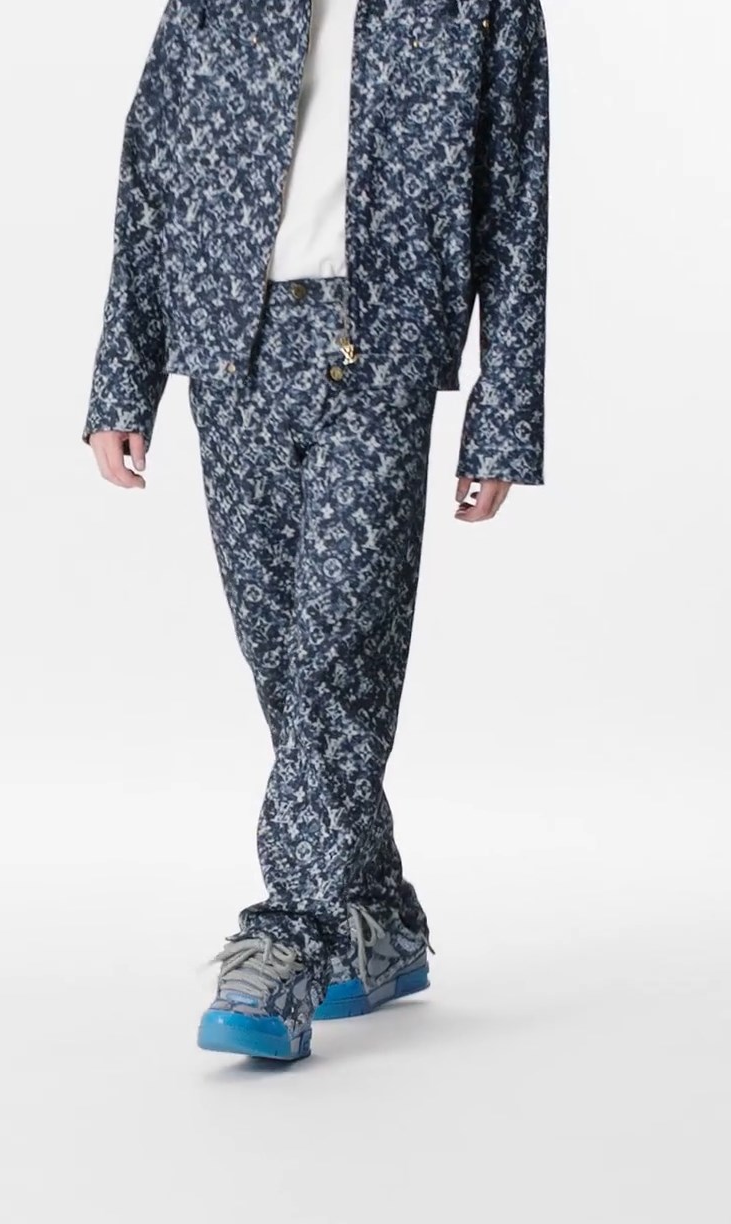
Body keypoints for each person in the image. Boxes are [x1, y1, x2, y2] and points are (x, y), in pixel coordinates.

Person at [82, 0, 549, 1061]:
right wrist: (124, 377)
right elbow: (149, 173)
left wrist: (502, 413)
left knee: (338, 655)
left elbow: (516, 205)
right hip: (228, 346)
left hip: (380, 346)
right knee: (286, 664)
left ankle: (287, 934)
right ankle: (376, 917)